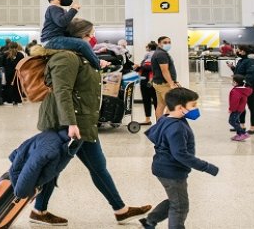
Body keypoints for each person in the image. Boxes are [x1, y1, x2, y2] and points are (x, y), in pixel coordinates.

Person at [31, 18, 151, 226]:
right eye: (91, 34)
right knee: (56, 167)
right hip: (67, 122)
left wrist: (98, 66)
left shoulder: (78, 56)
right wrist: (71, 122)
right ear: (81, 36)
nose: (93, 38)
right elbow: (62, 91)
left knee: (93, 167)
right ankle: (39, 211)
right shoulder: (66, 57)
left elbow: (80, 81)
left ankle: (120, 210)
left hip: (81, 120)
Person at [141, 88, 219, 229]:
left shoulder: (166, 118)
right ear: (180, 108)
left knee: (175, 200)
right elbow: (180, 154)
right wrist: (206, 167)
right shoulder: (177, 128)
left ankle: (149, 221)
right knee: (180, 206)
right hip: (172, 171)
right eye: (193, 105)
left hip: (161, 166)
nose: (196, 108)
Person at [40, 0, 101, 70]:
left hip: (56, 39)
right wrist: (73, 9)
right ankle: (98, 66)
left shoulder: (60, 10)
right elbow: (62, 22)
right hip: (52, 40)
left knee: (79, 42)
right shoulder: (53, 8)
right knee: (82, 44)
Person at [229, 44, 254, 134]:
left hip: (249, 86)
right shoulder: (242, 60)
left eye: (239, 50)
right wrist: (233, 68)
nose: (238, 52)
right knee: (241, 106)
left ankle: (253, 127)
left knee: (251, 105)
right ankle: (241, 125)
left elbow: (251, 75)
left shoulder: (252, 61)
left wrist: (244, 84)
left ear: (244, 51)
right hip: (240, 86)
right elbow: (239, 72)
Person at [151, 36, 180, 120]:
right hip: (164, 84)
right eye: (165, 42)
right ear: (159, 43)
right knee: (173, 105)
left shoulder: (160, 53)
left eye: (169, 42)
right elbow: (165, 70)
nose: (168, 44)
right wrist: (171, 84)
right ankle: (166, 125)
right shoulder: (161, 54)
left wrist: (174, 81)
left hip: (160, 83)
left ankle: (160, 125)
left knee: (161, 105)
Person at [138, 42, 158, 125]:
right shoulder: (156, 56)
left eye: (146, 46)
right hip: (150, 80)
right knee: (155, 100)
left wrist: (140, 67)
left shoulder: (151, 56)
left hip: (148, 80)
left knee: (148, 100)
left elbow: (144, 67)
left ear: (149, 47)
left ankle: (148, 119)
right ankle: (157, 120)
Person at [228, 74, 253, 142]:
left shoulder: (236, 91)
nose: (231, 82)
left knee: (231, 121)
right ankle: (239, 134)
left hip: (236, 109)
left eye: (232, 81)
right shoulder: (243, 90)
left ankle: (243, 133)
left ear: (236, 83)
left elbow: (234, 102)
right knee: (236, 121)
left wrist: (231, 109)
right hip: (240, 108)